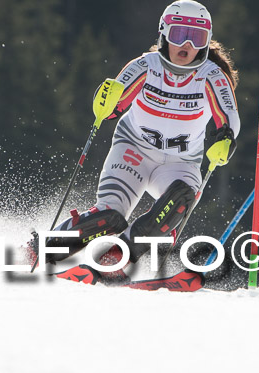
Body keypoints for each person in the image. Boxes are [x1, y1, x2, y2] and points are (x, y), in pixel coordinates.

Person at [41, 0, 240, 283]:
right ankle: (43, 249)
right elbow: (114, 105)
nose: (186, 44)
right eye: (178, 34)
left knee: (181, 200)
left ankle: (116, 257)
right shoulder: (145, 66)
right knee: (110, 216)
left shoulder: (211, 76)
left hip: (180, 162)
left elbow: (228, 115)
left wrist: (225, 138)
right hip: (133, 150)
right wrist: (105, 103)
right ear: (163, 34)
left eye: (196, 38)